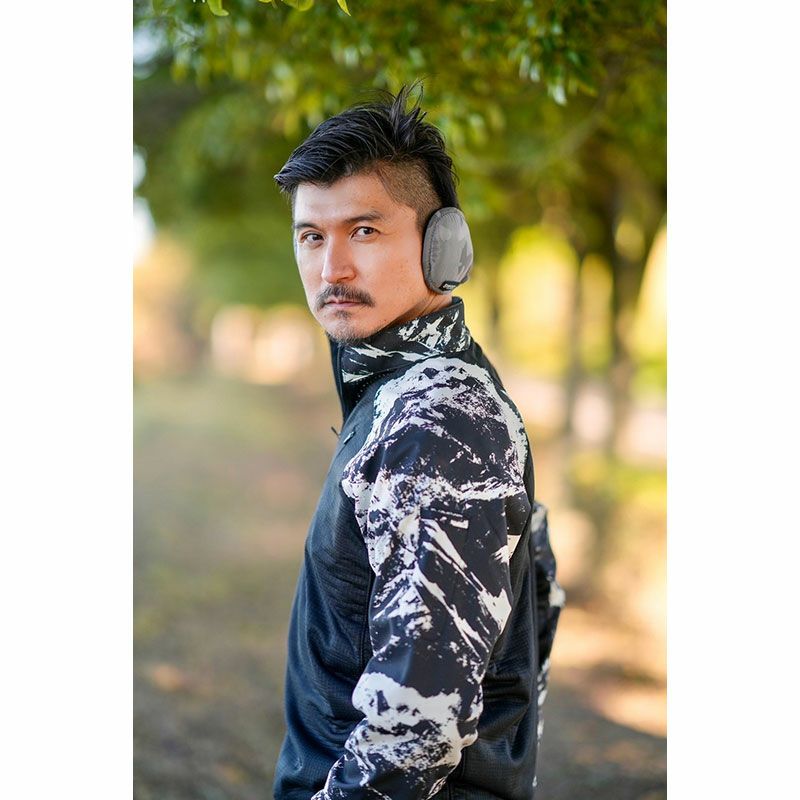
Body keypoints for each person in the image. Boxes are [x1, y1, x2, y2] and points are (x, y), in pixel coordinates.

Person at [271, 86, 563, 800]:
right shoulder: (404, 395)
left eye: (364, 231)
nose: (332, 269)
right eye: (312, 236)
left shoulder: (437, 416)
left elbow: (417, 726)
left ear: (444, 244)